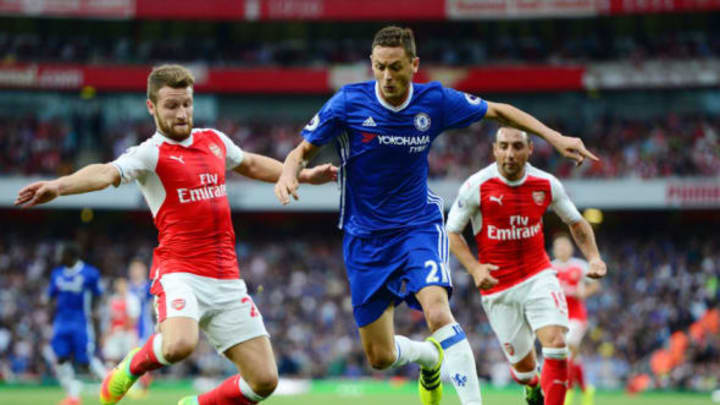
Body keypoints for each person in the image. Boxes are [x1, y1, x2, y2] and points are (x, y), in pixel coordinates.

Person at [274, 26, 597, 405]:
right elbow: (301, 151)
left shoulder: (435, 101)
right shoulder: (348, 102)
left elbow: (499, 111)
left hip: (417, 227)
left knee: (437, 313)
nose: (387, 77)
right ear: (372, 65)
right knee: (379, 357)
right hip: (364, 238)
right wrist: (287, 172)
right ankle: (428, 357)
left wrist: (555, 138)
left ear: (414, 65)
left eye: (396, 67)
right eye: (379, 67)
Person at [15, 64, 337, 405]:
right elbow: (106, 172)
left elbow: (252, 164)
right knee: (180, 344)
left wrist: (302, 174)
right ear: (151, 107)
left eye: (187, 103)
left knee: (264, 382)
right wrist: (58, 186)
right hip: (180, 271)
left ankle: (196, 404)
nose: (182, 113)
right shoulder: (150, 153)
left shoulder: (214, 141)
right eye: (171, 105)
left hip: (226, 278)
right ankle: (130, 367)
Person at [445, 127, 607, 405]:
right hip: (498, 288)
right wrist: (475, 268)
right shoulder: (477, 186)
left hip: (538, 275)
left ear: (529, 149)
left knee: (557, 344)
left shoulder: (546, 183)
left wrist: (593, 257)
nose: (510, 153)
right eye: (504, 146)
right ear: (494, 150)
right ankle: (531, 385)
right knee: (524, 371)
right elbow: (451, 232)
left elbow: (576, 221)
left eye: (517, 146)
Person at [45, 242, 107, 405]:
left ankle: (111, 384)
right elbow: (51, 296)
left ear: (71, 255)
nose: (59, 257)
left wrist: (95, 311)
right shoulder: (57, 274)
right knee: (60, 358)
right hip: (61, 323)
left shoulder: (89, 273)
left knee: (86, 360)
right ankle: (73, 397)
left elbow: (98, 294)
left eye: (62, 254)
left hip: (81, 322)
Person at [552, 235, 601, 405]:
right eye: (558, 247)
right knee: (574, 356)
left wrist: (584, 293)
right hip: (558, 318)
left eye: (564, 247)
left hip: (577, 317)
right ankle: (587, 389)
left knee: (567, 345)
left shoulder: (579, 266)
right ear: (554, 249)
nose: (562, 250)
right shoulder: (550, 268)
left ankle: (568, 390)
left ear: (570, 248)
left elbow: (595, 285)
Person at [126, 258, 154, 396]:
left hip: (143, 325)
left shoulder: (148, 287)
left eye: (138, 269)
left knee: (140, 355)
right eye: (133, 269)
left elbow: (154, 304)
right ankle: (137, 383)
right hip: (127, 326)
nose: (135, 272)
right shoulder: (127, 287)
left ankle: (141, 384)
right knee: (130, 355)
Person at [102, 278, 141, 367]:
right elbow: (109, 319)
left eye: (122, 285)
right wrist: (106, 334)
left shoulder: (132, 299)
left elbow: (134, 319)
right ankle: (110, 378)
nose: (120, 287)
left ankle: (136, 380)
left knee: (131, 359)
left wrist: (123, 329)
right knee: (111, 357)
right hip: (114, 332)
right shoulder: (112, 299)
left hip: (128, 333)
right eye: (119, 285)